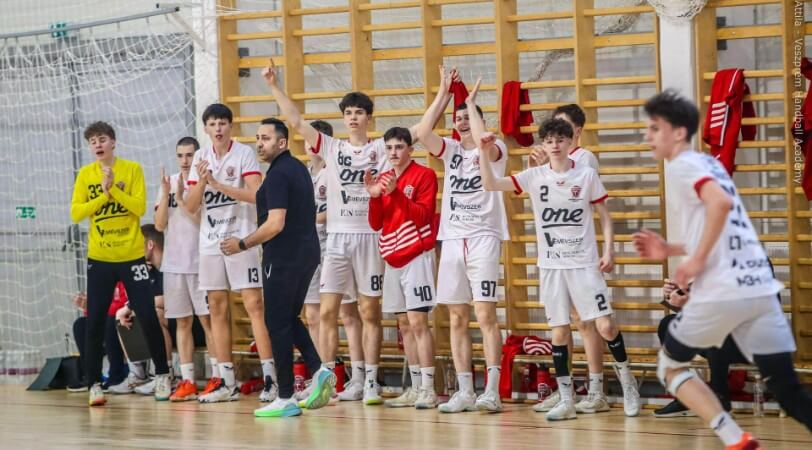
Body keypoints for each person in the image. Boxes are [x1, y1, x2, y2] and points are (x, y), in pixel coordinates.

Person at [633, 90, 812, 448]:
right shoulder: (709, 164)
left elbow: (720, 204)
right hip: (759, 288)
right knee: (786, 388)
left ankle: (734, 437)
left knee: (669, 367)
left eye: (654, 128)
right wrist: (673, 249)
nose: (647, 136)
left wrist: (696, 260)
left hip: (724, 290)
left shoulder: (683, 165)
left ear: (678, 133)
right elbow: (725, 228)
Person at [472, 90, 640, 420]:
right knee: (559, 333)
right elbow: (491, 184)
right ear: (544, 145)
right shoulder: (535, 176)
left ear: (570, 140)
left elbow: (605, 216)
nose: (555, 145)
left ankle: (628, 382)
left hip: (585, 264)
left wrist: (609, 250)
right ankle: (565, 398)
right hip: (551, 266)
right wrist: (482, 151)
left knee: (606, 326)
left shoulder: (585, 174)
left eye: (560, 139)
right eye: (549, 140)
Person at [263, 59, 422, 405]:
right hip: (336, 239)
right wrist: (274, 85)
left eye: (359, 112)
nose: (353, 117)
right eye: (348, 112)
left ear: (369, 118)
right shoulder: (332, 147)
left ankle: (369, 381)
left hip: (368, 237)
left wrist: (444, 94)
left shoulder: (381, 149)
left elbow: (421, 129)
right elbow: (296, 122)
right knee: (327, 312)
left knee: (369, 312)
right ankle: (326, 379)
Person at [219, 118, 335, 417]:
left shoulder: (280, 174)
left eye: (266, 138)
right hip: (306, 254)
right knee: (287, 318)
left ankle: (285, 396)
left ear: (281, 143)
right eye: (258, 138)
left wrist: (242, 243)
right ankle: (318, 369)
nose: (260, 143)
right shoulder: (296, 168)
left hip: (284, 257)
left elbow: (275, 223)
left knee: (276, 323)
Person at [413, 66, 508, 413]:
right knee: (456, 317)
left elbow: (484, 143)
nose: (463, 121)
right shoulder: (451, 149)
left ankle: (492, 391)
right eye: (459, 118)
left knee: (485, 315)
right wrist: (443, 92)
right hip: (452, 238)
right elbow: (422, 131)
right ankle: (466, 390)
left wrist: (470, 103)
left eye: (468, 116)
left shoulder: (495, 147)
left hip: (483, 236)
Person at [70, 121, 171, 406]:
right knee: (94, 321)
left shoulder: (132, 169)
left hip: (130, 256)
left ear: (113, 142)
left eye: (102, 139)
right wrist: (103, 195)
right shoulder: (85, 174)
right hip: (100, 258)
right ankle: (94, 384)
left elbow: (138, 207)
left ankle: (162, 375)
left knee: (147, 315)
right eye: (93, 141)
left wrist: (114, 188)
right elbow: (76, 213)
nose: (98, 145)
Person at [185, 104, 277, 404]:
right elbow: (190, 206)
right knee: (217, 309)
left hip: (241, 238)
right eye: (212, 124)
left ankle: (271, 379)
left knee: (254, 306)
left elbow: (258, 194)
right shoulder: (200, 157)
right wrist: (202, 182)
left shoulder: (244, 154)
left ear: (230, 126)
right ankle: (226, 382)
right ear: (206, 129)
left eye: (222, 123)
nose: (218, 128)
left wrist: (218, 184)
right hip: (210, 242)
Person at [531, 104, 613, 415]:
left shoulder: (584, 160)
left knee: (588, 322)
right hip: (557, 253)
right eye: (551, 132)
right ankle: (565, 389)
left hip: (580, 253)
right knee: (563, 324)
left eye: (562, 130)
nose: (556, 137)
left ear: (575, 132)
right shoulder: (550, 164)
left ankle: (596, 388)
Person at [365, 127, 439, 409]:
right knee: (404, 325)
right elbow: (376, 223)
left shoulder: (424, 175)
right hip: (392, 257)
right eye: (389, 148)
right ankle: (416, 387)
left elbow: (423, 216)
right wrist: (374, 196)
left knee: (418, 322)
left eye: (399, 147)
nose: (394, 152)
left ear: (411, 149)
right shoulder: (384, 178)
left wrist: (396, 194)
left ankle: (429, 389)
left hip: (417, 255)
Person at [301, 120, 364, 402]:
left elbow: (342, 205)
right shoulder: (303, 174)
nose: (310, 144)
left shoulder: (336, 169)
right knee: (314, 316)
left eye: (315, 139)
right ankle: (320, 376)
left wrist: (308, 218)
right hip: (308, 247)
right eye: (307, 139)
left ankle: (358, 378)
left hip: (335, 243)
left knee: (348, 313)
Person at [154, 136, 216, 402]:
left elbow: (201, 219)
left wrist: (181, 197)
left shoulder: (204, 182)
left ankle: (217, 377)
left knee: (208, 321)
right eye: (180, 155)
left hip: (201, 262)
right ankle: (188, 380)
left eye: (189, 155)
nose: (184, 160)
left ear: (198, 156)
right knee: (181, 322)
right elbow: (159, 225)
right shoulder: (169, 184)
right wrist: (167, 193)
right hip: (174, 264)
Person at [69, 289, 128, 392]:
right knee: (80, 324)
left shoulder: (123, 282)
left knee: (110, 321)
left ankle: (116, 376)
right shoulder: (101, 284)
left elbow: (123, 305)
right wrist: (88, 306)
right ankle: (91, 377)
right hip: (107, 319)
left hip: (122, 319)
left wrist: (97, 308)